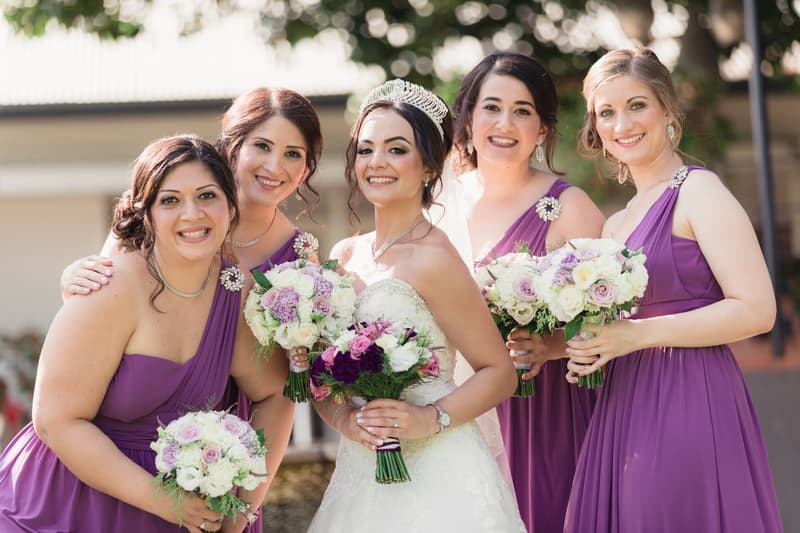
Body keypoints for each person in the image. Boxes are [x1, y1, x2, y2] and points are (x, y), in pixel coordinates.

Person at [58, 87, 323, 532]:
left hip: (224, 445)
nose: (275, 166)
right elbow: (102, 295)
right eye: (261, 146)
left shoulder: (300, 258)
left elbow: (283, 388)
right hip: (129, 417)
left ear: (308, 167)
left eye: (293, 153)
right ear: (231, 144)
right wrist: (73, 279)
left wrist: (245, 504)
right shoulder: (175, 200)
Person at [0, 135, 291, 532]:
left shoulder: (235, 293)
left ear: (230, 206)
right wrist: (165, 501)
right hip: (72, 503)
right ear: (147, 213)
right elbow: (56, 420)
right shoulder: (111, 287)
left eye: (207, 196)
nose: (192, 214)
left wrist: (243, 509)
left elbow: (274, 393)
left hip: (187, 513)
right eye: (170, 200)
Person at [563, 47, 783, 532]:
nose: (622, 123)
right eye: (607, 112)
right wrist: (580, 347)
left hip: (690, 396)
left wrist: (637, 335)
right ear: (595, 127)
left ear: (668, 110)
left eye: (637, 105)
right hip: (622, 406)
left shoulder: (699, 192)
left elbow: (757, 310)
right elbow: (615, 330)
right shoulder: (615, 224)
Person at [307, 80, 525, 533]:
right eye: (365, 150)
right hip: (361, 468)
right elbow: (322, 376)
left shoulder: (434, 258)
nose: (376, 163)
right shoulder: (344, 256)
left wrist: (430, 418)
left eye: (396, 149)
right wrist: (345, 418)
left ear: (428, 166)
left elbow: (499, 371)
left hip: (439, 469)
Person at [435, 52, 605, 532]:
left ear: (543, 130)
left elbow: (610, 318)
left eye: (522, 110)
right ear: (468, 118)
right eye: (491, 107)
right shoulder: (439, 203)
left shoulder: (568, 207)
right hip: (456, 405)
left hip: (544, 413)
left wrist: (547, 347)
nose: (503, 123)